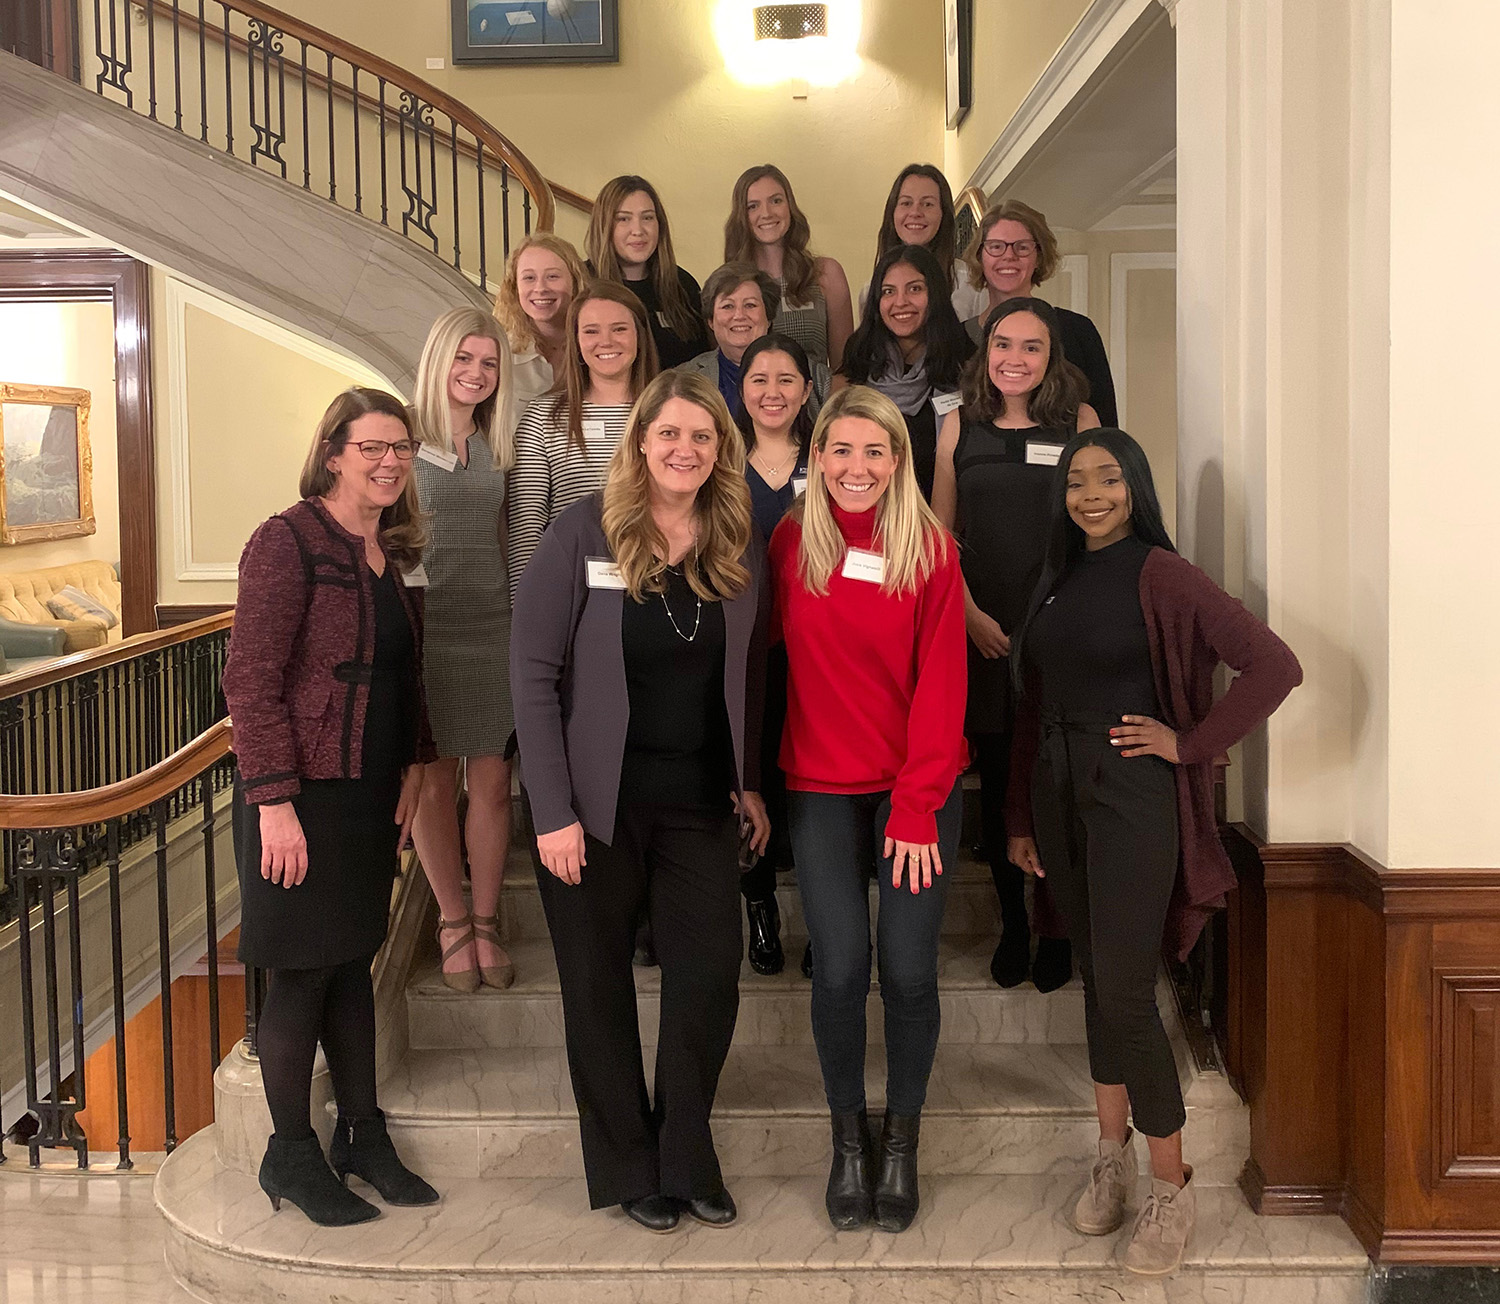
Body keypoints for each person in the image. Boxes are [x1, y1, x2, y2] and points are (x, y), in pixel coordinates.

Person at [1006, 429, 1302, 1275]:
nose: (1090, 493)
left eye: (1107, 477)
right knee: (1099, 981)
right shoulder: (1055, 577)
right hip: (1061, 798)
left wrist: (1191, 744)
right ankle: (1112, 1157)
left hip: (1132, 800)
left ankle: (1170, 1187)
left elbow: (1273, 666)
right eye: (1075, 480)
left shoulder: (1160, 573)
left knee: (1129, 993)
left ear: (1135, 485)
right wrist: (1022, 813)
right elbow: (1033, 701)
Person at [510, 370, 770, 1234]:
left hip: (699, 801)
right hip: (593, 806)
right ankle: (628, 1164)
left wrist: (749, 781)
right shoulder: (580, 531)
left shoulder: (735, 541)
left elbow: (747, 675)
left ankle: (686, 1151)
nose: (685, 450)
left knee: (707, 981)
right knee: (597, 988)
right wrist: (549, 810)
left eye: (702, 437)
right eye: (670, 435)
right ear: (642, 443)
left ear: (719, 450)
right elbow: (534, 675)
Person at [223, 388, 438, 1226]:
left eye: (403, 449)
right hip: (303, 797)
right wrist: (274, 802)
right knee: (302, 975)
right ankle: (291, 1153)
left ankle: (362, 1135)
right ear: (335, 452)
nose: (390, 462)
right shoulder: (286, 540)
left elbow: (402, 675)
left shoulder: (392, 547)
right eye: (373, 447)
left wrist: (418, 764)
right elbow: (250, 679)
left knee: (352, 963)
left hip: (370, 789)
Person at [769, 385, 967, 1234]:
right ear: (816, 459)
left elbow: (944, 685)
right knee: (842, 968)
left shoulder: (930, 549)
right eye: (840, 452)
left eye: (874, 453)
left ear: (899, 462)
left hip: (914, 790)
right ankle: (848, 1141)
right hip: (819, 786)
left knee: (911, 970)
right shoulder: (789, 542)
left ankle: (902, 1144)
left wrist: (918, 806)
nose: (856, 468)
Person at [931, 297, 1099, 993]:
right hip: (984, 632)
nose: (1015, 359)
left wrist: (1059, 622)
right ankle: (1013, 923)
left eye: (1032, 347)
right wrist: (967, 613)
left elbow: (1099, 529)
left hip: (1058, 632)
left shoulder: (1080, 424)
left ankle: (1057, 926)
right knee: (1003, 787)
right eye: (1004, 344)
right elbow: (938, 533)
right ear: (986, 349)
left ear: (1052, 357)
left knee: (1058, 786)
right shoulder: (955, 425)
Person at [407, 308, 519, 994]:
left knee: (493, 783)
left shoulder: (500, 443)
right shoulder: (402, 439)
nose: (475, 373)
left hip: (492, 624)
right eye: (464, 359)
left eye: (488, 362)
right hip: (425, 627)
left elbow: (511, 538)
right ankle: (451, 919)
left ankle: (485, 919)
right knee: (431, 782)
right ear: (438, 360)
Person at [732, 331, 818, 975]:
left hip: (817, 650)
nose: (772, 392)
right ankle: (760, 909)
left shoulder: (830, 455)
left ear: (807, 390)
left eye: (786, 379)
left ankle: (825, 920)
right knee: (749, 776)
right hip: (740, 649)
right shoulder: (718, 461)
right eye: (759, 379)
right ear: (741, 389)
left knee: (812, 783)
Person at [507, 281, 659, 596]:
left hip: (657, 586)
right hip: (569, 590)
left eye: (619, 329)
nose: (605, 341)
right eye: (591, 331)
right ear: (575, 340)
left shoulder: (669, 413)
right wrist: (527, 609)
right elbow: (526, 528)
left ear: (639, 336)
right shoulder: (542, 417)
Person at [959, 200, 1118, 426]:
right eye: (996, 246)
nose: (1009, 256)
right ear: (980, 256)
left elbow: (1106, 425)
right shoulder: (955, 340)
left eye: (1022, 247)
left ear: (1039, 257)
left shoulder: (1078, 331)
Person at [838, 243, 974, 501]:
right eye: (888, 291)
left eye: (915, 289)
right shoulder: (858, 359)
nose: (900, 302)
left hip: (944, 516)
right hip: (870, 513)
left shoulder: (965, 362)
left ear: (935, 293)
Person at [724, 163, 854, 373]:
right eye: (752, 206)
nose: (766, 213)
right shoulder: (729, 285)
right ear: (741, 216)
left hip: (819, 402)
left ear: (790, 207)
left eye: (776, 201)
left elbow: (845, 370)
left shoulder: (827, 274)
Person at [586, 175, 708, 370]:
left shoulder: (682, 285)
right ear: (604, 225)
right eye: (623, 219)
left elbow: (704, 360)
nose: (638, 230)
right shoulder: (583, 283)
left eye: (647, 218)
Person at [860, 163, 987, 321]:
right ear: (892, 213)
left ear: (943, 214)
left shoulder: (970, 283)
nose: (915, 212)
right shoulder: (870, 291)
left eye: (927, 204)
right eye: (906, 203)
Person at [493, 232, 589, 414]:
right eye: (529, 278)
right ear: (515, 287)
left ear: (575, 282)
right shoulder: (501, 352)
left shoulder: (598, 347)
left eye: (552, 276)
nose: (540, 288)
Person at [677, 261, 782, 416]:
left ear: (769, 317)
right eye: (727, 306)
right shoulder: (683, 378)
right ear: (711, 321)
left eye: (750, 305)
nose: (739, 315)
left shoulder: (815, 376)